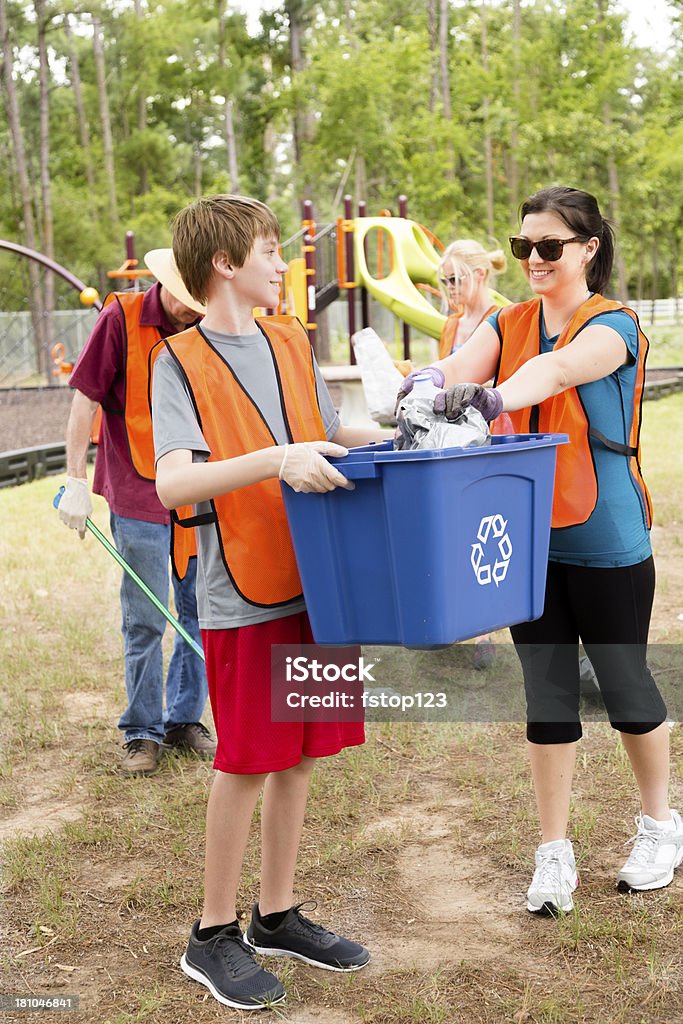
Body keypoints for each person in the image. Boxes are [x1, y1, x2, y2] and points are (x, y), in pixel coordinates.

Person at [399, 186, 682, 915]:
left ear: (587, 248)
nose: (531, 258)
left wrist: (493, 401)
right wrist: (426, 385)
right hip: (521, 538)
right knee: (547, 694)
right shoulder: (506, 319)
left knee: (624, 686)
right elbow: (459, 367)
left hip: (606, 535)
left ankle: (659, 824)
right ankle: (552, 852)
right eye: (523, 245)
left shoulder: (613, 325)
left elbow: (554, 373)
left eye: (548, 246)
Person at [152, 193, 388, 1010]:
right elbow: (174, 480)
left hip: (317, 578)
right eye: (267, 248)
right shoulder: (177, 359)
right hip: (242, 590)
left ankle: (276, 913)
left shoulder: (291, 336)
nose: (281, 261)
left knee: (301, 753)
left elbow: (328, 433)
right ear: (224, 263)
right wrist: (273, 459)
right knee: (249, 758)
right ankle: (212, 933)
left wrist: (408, 429)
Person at [57, 250, 214, 776]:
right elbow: (85, 399)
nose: (198, 312)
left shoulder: (212, 320)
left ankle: (183, 720)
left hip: (198, 489)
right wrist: (75, 480)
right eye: (191, 303)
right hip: (138, 492)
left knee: (201, 612)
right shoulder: (120, 317)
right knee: (146, 617)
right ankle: (142, 732)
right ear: (168, 285)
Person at [437, 239, 507, 669]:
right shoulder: (451, 324)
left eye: (455, 278)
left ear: (479, 275)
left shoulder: (504, 319)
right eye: (443, 280)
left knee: (489, 530)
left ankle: (486, 629)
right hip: (452, 442)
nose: (448, 287)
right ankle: (466, 622)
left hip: (492, 437)